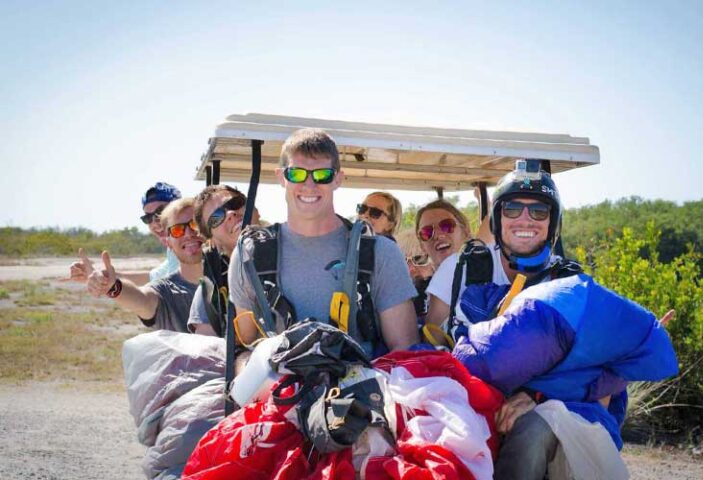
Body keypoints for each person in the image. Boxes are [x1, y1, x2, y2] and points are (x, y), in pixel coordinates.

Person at [427, 160, 675, 479]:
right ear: (498, 218)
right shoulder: (461, 269)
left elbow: (604, 381)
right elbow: (431, 338)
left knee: (534, 432)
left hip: (544, 410)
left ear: (552, 222)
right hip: (465, 394)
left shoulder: (569, 285)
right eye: (513, 209)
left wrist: (537, 396)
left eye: (539, 211)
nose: (525, 219)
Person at [228, 128, 419, 353]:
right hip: (280, 384)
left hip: (361, 383)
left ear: (338, 179)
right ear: (281, 177)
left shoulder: (381, 252)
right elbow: (245, 348)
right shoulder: (249, 255)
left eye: (322, 175)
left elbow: (404, 352)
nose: (309, 184)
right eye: (297, 174)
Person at [85, 198, 204, 332]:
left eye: (195, 225)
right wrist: (113, 286)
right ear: (168, 242)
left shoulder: (229, 276)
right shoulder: (166, 291)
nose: (188, 234)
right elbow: (143, 300)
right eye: (177, 230)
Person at [68, 182, 182, 285]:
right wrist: (96, 275)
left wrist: (113, 290)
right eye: (148, 218)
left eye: (161, 212)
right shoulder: (173, 251)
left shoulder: (193, 246)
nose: (155, 223)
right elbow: (151, 277)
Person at [187, 184, 249, 336]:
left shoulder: (291, 248)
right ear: (211, 240)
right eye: (216, 218)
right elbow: (208, 354)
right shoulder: (210, 292)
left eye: (235, 204)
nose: (231, 214)